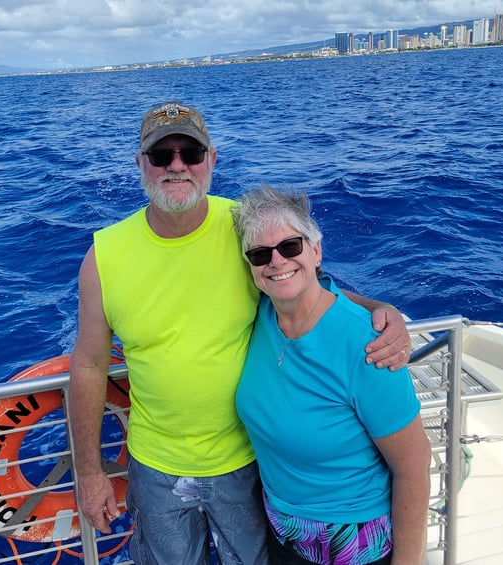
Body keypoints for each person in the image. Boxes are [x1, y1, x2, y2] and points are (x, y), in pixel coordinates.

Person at [68, 101, 412, 565]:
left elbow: (300, 281)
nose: (176, 166)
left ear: (212, 160)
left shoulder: (242, 230)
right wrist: (89, 474)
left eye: (190, 153)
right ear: (140, 165)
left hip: (247, 463)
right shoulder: (103, 256)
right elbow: (88, 364)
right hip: (156, 467)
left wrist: (381, 310)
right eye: (160, 155)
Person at [231, 185, 431, 565]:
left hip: (354, 548)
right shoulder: (261, 313)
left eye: (290, 247)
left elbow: (414, 466)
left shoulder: (367, 346)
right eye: (260, 254)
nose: (276, 261)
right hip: (282, 535)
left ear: (316, 250)